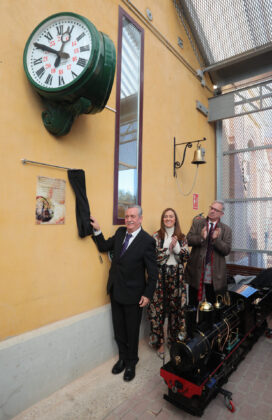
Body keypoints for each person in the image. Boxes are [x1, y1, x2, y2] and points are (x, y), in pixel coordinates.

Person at [90, 205, 158, 382]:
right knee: (119, 329)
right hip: (116, 290)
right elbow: (104, 246)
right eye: (127, 216)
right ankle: (122, 358)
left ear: (140, 219)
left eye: (133, 216)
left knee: (131, 330)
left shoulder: (147, 241)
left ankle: (131, 362)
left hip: (134, 295)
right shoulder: (121, 233)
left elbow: (153, 272)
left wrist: (147, 294)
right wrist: (97, 230)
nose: (129, 219)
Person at [148, 208, 189, 358]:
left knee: (176, 309)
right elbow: (153, 257)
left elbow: (185, 257)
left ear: (175, 219)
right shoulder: (156, 236)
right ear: (162, 219)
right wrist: (167, 249)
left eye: (171, 216)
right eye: (166, 216)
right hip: (160, 277)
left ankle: (174, 341)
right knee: (158, 310)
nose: (168, 219)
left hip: (177, 278)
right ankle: (159, 343)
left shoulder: (182, 237)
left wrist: (176, 246)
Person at [185, 200, 232, 306]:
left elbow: (227, 250)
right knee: (193, 302)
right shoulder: (198, 223)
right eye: (211, 208)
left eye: (216, 210)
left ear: (221, 214)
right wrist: (201, 237)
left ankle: (209, 322)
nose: (212, 211)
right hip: (197, 269)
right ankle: (193, 322)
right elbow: (188, 240)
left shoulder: (226, 230)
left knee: (212, 301)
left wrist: (216, 240)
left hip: (214, 272)